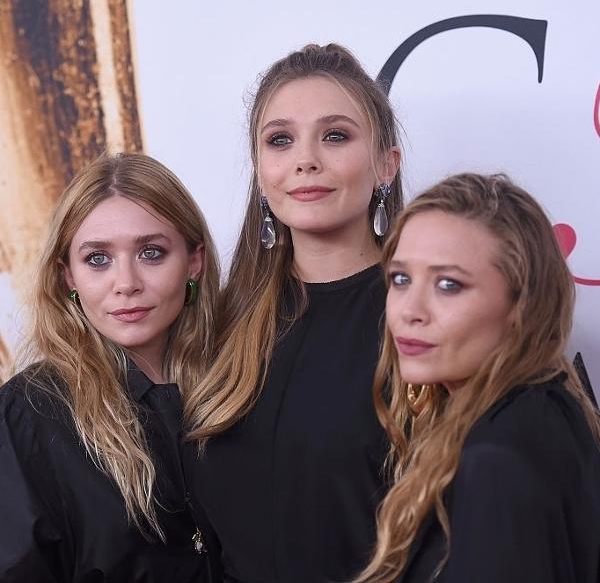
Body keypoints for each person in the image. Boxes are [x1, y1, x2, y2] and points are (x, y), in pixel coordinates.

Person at [184, 43, 403, 583]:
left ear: (386, 164)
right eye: (280, 139)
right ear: (261, 173)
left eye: (335, 135)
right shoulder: (219, 325)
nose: (305, 159)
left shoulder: (421, 320)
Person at [357, 173, 600, 583]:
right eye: (401, 279)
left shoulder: (497, 464)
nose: (410, 310)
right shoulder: (548, 407)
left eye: (449, 285)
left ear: (521, 305)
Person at [0, 153, 220, 582]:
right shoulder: (30, 414)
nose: (126, 283)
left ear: (194, 261)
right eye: (97, 259)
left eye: (152, 253)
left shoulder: (237, 385)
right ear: (68, 276)